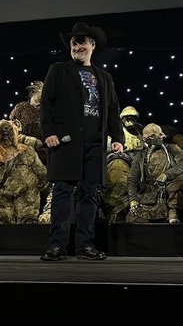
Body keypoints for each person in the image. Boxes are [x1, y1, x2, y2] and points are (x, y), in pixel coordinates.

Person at [39, 22, 124, 261]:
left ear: (92, 45)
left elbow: (113, 109)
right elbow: (46, 103)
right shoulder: (58, 70)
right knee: (63, 193)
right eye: (74, 43)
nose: (77, 46)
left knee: (89, 193)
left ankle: (85, 244)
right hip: (65, 142)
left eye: (82, 42)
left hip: (95, 142)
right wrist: (49, 133)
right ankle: (58, 245)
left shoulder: (104, 77)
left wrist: (117, 138)